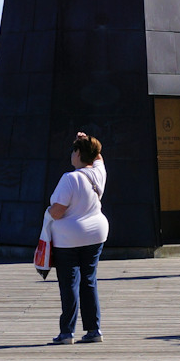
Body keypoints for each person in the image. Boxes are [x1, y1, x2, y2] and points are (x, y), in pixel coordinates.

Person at [47, 132, 109, 345]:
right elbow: (98, 156)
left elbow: (57, 212)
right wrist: (87, 138)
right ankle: (94, 329)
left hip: (69, 238)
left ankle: (66, 333)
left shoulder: (70, 178)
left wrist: (47, 212)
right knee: (89, 280)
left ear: (78, 153)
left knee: (70, 282)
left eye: (74, 150)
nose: (71, 155)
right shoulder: (99, 173)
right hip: (97, 233)